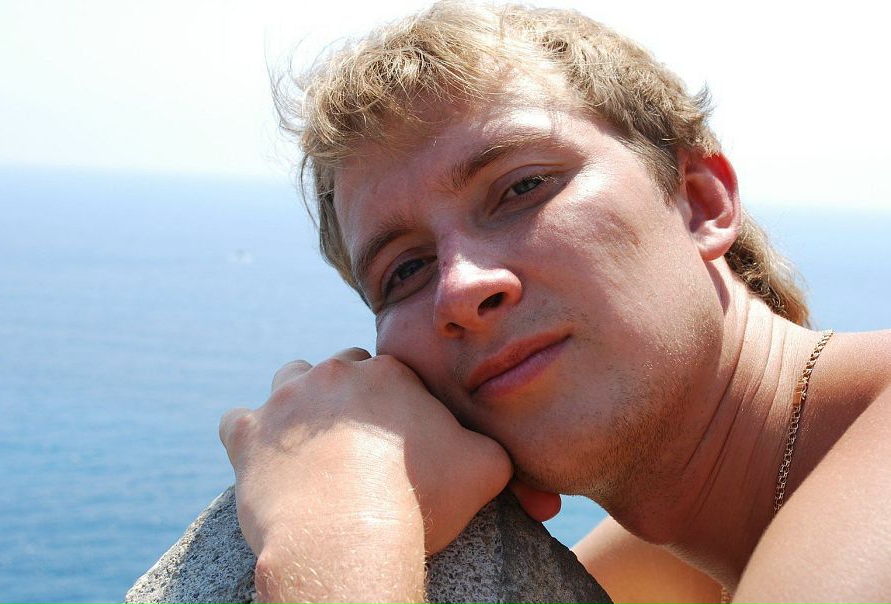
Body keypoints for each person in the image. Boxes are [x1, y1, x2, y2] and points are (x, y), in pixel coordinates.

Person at [219, 2, 891, 602]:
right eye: (407, 270)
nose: (461, 288)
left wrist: (342, 525)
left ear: (699, 202)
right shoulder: (670, 561)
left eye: (523, 188)